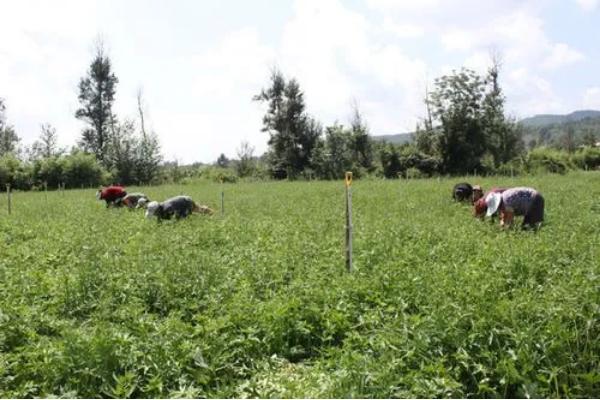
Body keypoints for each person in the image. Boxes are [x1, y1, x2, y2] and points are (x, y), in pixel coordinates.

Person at [475, 187, 544, 229]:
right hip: (533, 198)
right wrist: (502, 223)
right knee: (526, 227)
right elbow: (505, 216)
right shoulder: (504, 198)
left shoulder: (506, 202)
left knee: (529, 228)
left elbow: (509, 221)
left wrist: (503, 227)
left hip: (535, 200)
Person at [145, 196, 214, 220]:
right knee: (196, 209)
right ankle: (209, 212)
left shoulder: (167, 209)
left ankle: (211, 213)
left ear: (157, 210)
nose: (154, 215)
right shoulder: (160, 207)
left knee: (196, 210)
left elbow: (178, 217)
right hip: (181, 201)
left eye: (154, 213)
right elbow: (159, 217)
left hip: (185, 201)